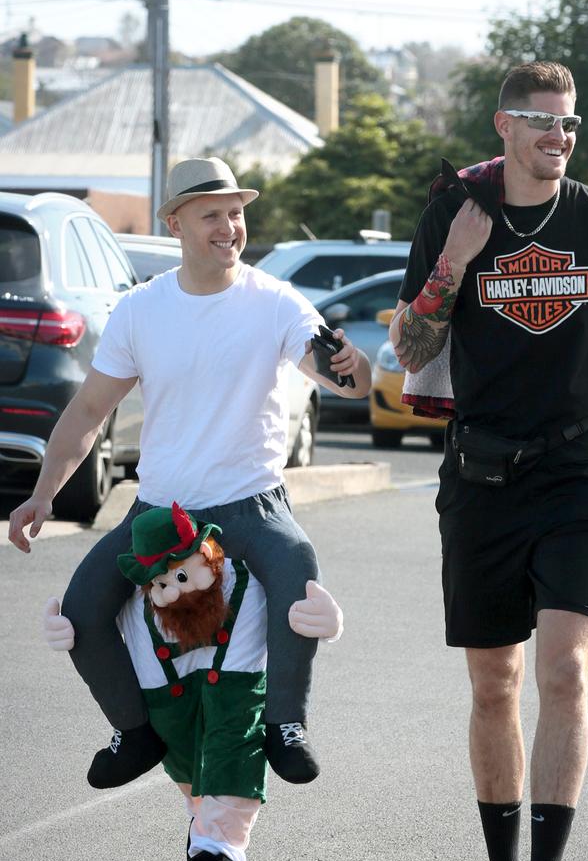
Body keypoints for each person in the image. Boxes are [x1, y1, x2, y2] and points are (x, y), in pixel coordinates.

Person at [389, 61, 588, 861]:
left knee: (566, 671)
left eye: (569, 125)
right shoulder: (453, 214)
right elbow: (410, 342)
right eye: (542, 123)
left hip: (580, 470)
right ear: (503, 127)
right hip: (482, 475)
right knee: (494, 681)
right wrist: (456, 263)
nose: (560, 138)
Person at [9, 156, 371, 790]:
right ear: (175, 223)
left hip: (250, 504)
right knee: (82, 612)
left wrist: (350, 364)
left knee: (299, 573)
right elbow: (89, 410)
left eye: (236, 213)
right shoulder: (140, 310)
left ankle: (286, 726)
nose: (230, 227)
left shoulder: (276, 302)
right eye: (212, 215)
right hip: (161, 512)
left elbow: (342, 378)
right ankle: (135, 731)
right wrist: (42, 495)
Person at [43, 503, 344, 861]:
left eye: (179, 576)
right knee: (180, 747)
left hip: (235, 671)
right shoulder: (143, 598)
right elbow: (96, 615)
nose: (169, 591)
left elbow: (292, 586)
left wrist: (328, 622)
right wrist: (73, 627)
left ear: (208, 556)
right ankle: (210, 836)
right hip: (169, 691)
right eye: (159, 583)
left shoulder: (244, 578)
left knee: (234, 732)